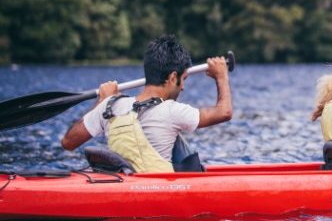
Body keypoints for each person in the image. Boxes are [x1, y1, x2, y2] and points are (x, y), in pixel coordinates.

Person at [61, 34, 233, 172]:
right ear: (173, 77)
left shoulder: (110, 106)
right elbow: (224, 112)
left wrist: (101, 103)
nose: (183, 88)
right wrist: (222, 76)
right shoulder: (173, 111)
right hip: (160, 190)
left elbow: (68, 143)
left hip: (122, 180)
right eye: (183, 79)